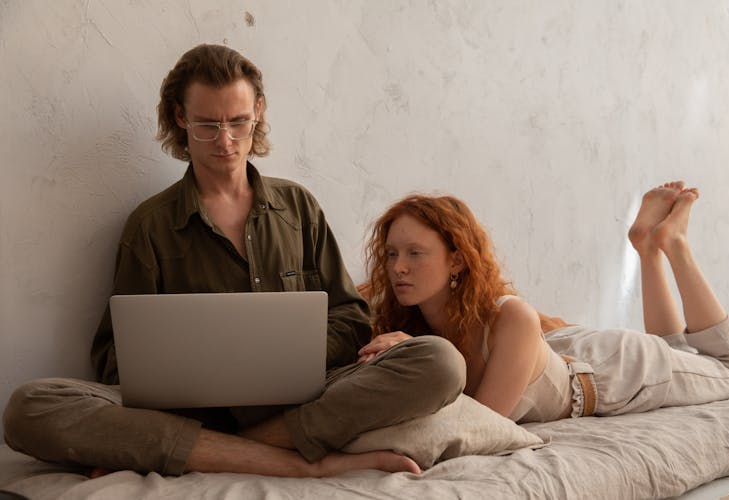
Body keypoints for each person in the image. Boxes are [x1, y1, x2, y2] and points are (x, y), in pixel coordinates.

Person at [2, 44, 466, 477]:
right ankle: (291, 461)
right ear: (180, 118)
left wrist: (290, 354)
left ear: (258, 112)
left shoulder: (299, 206)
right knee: (31, 406)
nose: (225, 140)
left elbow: (350, 316)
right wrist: (193, 370)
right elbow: (112, 357)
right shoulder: (150, 225)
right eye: (207, 125)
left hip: (304, 400)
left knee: (441, 363)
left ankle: (227, 449)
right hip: (188, 411)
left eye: (238, 122)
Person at [360, 183, 729, 423]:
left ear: (457, 259)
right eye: (392, 254)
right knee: (679, 351)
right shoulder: (407, 318)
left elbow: (483, 422)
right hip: (562, 349)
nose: (399, 268)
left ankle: (673, 245)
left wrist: (414, 351)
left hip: (616, 370)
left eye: (415, 253)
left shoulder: (509, 313)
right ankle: (648, 248)